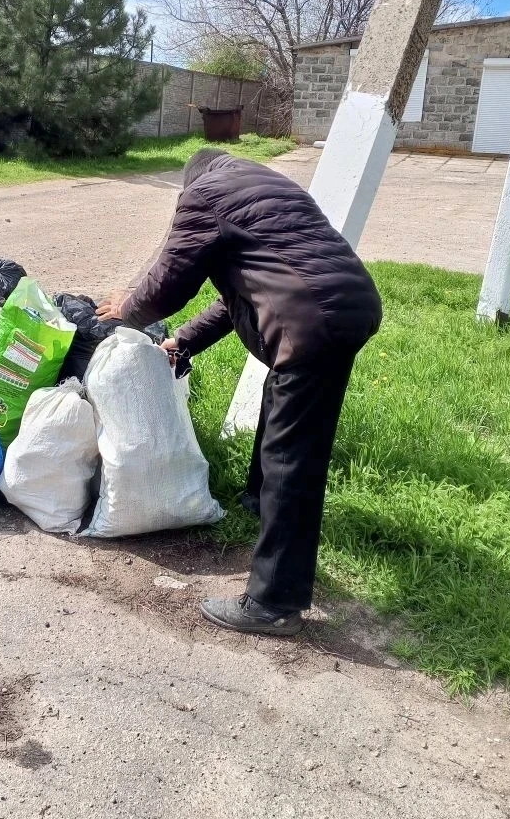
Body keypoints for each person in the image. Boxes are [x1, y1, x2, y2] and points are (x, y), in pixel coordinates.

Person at [97, 149, 382, 636]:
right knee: (287, 405)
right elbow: (244, 297)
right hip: (348, 303)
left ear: (190, 179)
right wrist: (182, 341)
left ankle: (274, 602)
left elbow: (168, 283)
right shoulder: (266, 188)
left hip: (310, 319)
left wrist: (125, 310)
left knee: (293, 457)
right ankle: (257, 498)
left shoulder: (203, 195)